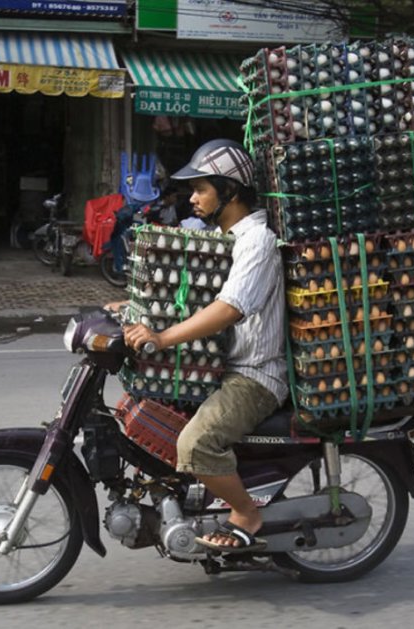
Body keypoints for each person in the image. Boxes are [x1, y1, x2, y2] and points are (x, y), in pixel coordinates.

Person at [109, 139, 288, 552]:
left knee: (196, 444)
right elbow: (198, 299)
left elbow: (228, 308)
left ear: (230, 190)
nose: (192, 198)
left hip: (253, 376)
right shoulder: (228, 237)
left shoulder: (257, 240)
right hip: (222, 366)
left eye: (201, 188)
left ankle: (246, 512)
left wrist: (161, 338)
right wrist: (135, 306)